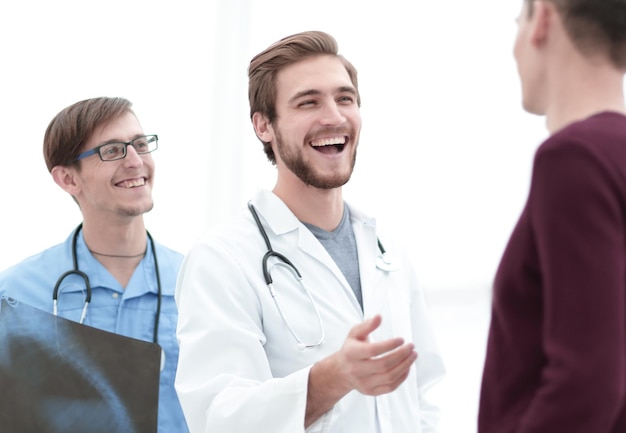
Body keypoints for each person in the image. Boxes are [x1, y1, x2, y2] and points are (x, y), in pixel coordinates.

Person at [174, 30, 445, 433]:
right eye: (309, 102)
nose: (334, 116)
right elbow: (219, 416)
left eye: (345, 98)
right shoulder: (222, 259)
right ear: (264, 125)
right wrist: (331, 378)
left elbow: (426, 393)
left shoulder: (385, 248)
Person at [478, 1, 626, 432]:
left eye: (517, 21)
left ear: (542, 16)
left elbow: (588, 380)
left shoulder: (573, 159)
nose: (514, 46)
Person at [0, 97, 189, 433]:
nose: (135, 161)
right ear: (68, 179)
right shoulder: (14, 295)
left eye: (141, 145)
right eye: (113, 150)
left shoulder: (197, 283)